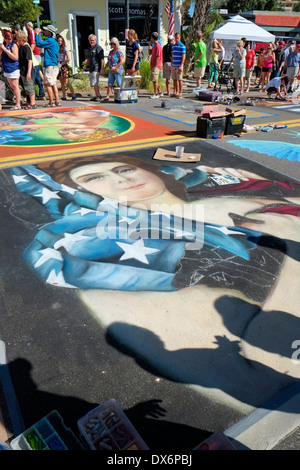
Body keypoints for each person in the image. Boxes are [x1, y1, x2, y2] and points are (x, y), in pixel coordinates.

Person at [35, 24, 60, 107]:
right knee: (53, 83)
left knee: (47, 83)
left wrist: (36, 34)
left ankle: (51, 102)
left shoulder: (50, 41)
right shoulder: (55, 42)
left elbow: (38, 44)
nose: (44, 31)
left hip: (50, 65)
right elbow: (52, 52)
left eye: (45, 30)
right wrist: (45, 54)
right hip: (54, 65)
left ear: (49, 32)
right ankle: (57, 101)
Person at [0, 30, 21, 110]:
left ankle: (18, 104)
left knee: (15, 86)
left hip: (13, 68)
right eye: (6, 39)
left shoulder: (13, 45)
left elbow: (15, 57)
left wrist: (5, 50)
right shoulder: (4, 44)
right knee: (12, 86)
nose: (8, 40)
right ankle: (17, 102)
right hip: (6, 68)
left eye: (9, 39)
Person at [15, 31, 36, 110]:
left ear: (22, 39)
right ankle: (29, 102)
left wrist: (28, 72)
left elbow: (29, 60)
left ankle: (33, 103)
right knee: (26, 87)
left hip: (27, 70)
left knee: (29, 87)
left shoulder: (26, 48)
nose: (17, 41)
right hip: (23, 70)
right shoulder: (21, 47)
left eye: (18, 39)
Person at [26, 21, 45, 100]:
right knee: (36, 74)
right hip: (35, 54)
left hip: (35, 54)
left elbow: (33, 43)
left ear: (28, 25)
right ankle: (41, 93)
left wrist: (29, 53)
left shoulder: (32, 32)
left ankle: (31, 95)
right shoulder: (31, 33)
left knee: (33, 73)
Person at [83, 34, 105, 101]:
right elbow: (89, 58)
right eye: (90, 40)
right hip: (91, 68)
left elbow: (102, 59)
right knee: (93, 83)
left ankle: (98, 95)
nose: (92, 41)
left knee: (95, 82)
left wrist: (102, 68)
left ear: (96, 40)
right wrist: (85, 66)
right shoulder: (90, 48)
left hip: (96, 67)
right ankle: (97, 95)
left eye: (93, 40)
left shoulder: (99, 48)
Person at [102, 37, 124, 103]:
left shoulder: (118, 52)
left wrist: (116, 67)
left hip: (117, 70)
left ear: (116, 44)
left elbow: (121, 61)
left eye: (113, 44)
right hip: (111, 70)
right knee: (110, 83)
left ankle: (121, 95)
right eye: (111, 44)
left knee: (119, 83)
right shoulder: (111, 52)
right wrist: (104, 68)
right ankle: (107, 96)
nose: (112, 45)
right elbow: (109, 61)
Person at [57, 35, 76, 101]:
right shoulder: (56, 48)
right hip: (58, 64)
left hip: (64, 65)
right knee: (61, 82)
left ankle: (73, 95)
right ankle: (64, 96)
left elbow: (68, 58)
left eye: (61, 41)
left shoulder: (65, 48)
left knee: (67, 82)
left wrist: (61, 64)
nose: (60, 42)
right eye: (59, 41)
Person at [171, 32, 186, 98]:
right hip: (174, 64)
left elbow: (183, 56)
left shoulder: (182, 46)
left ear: (180, 38)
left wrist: (181, 65)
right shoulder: (173, 46)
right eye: (175, 38)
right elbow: (172, 55)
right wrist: (172, 63)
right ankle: (175, 91)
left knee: (179, 79)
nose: (176, 39)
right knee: (174, 79)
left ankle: (180, 92)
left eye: (177, 38)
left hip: (179, 65)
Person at [148, 32, 163, 99]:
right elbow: (150, 52)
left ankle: (155, 93)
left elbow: (158, 56)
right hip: (153, 65)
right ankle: (160, 91)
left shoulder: (158, 46)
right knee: (155, 79)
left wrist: (155, 65)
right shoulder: (154, 46)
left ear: (153, 38)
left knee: (155, 80)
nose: (150, 39)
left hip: (156, 65)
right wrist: (149, 46)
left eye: (151, 38)